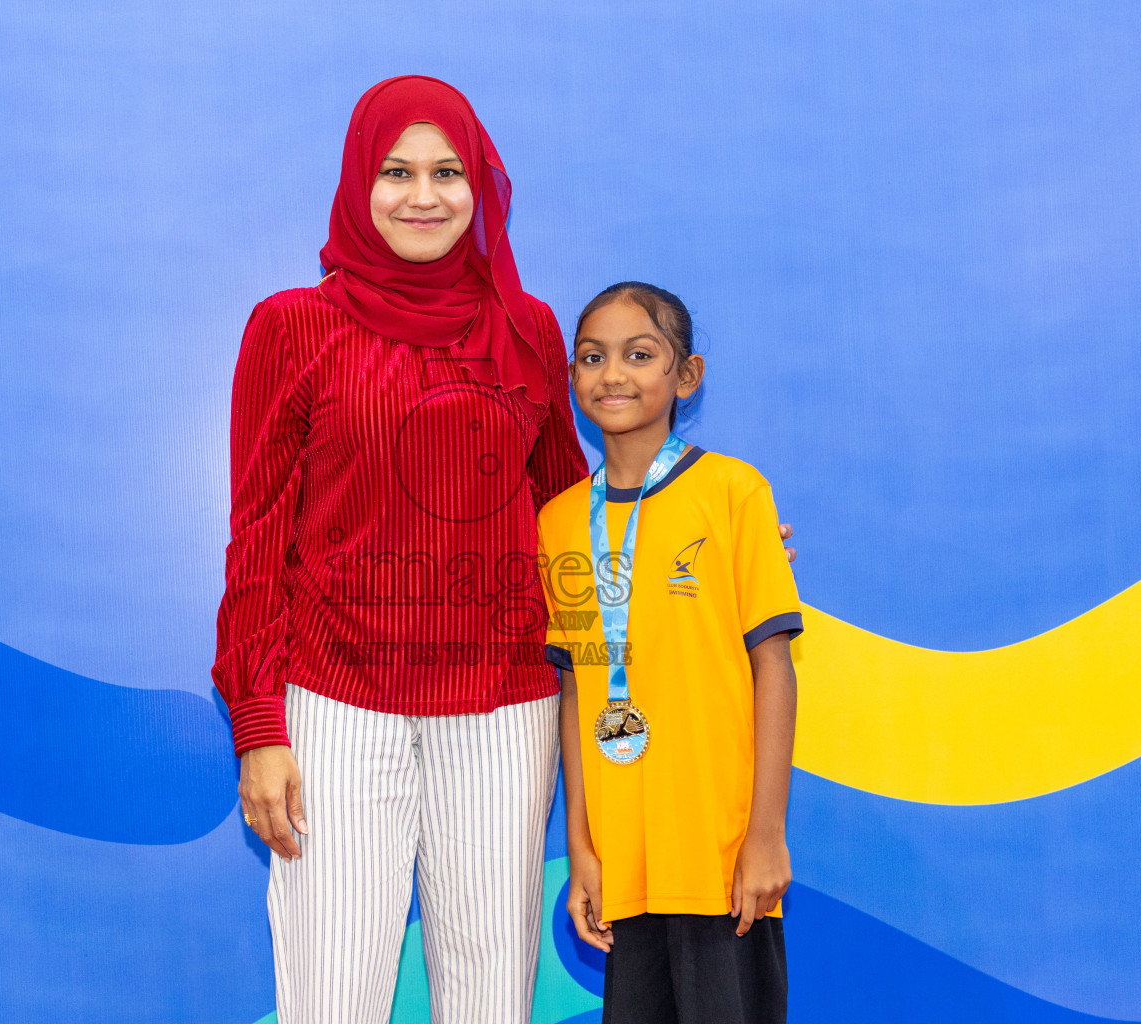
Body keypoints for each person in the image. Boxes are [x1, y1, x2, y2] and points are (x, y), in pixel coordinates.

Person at [214, 77, 797, 1023]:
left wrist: (720, 533)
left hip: (502, 710)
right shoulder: (292, 327)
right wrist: (259, 726)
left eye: (448, 171)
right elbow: (257, 538)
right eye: (396, 171)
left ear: (479, 186)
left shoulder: (524, 329)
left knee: (490, 995)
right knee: (331, 993)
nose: (424, 194)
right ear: (360, 182)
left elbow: (574, 513)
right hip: (333, 705)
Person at [538, 282, 802, 1024]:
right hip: (626, 864)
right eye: (591, 357)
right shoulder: (559, 523)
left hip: (720, 860)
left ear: (685, 377)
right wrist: (583, 848)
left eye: (639, 354)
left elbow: (773, 667)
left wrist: (766, 835)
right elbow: (576, 692)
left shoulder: (733, 492)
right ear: (572, 380)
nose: (612, 374)